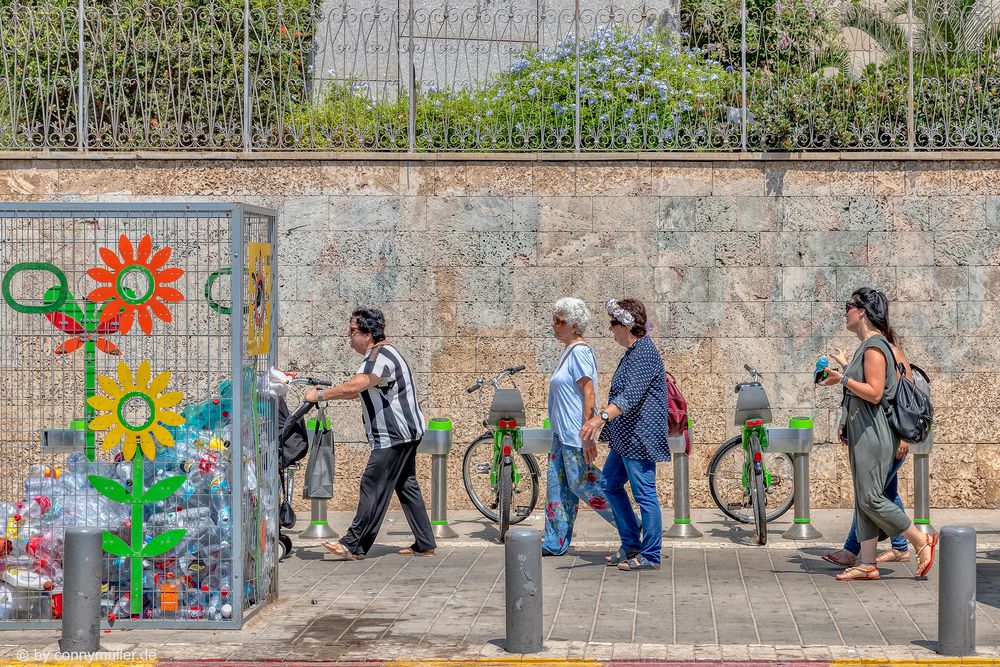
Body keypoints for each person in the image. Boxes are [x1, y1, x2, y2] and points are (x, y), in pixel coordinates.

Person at [819, 288, 935, 581]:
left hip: (874, 432)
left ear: (862, 312)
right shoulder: (869, 346)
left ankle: (919, 540)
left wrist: (842, 377)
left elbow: (873, 393)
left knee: (872, 498)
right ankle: (867, 562)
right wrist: (843, 375)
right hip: (864, 431)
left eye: (849, 306)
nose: (845, 311)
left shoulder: (874, 348)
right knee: (864, 498)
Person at [306, 308, 436, 560]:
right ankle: (425, 542)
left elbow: (356, 385)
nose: (349, 335)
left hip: (393, 435)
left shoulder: (378, 356)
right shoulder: (382, 354)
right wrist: (333, 391)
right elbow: (357, 390)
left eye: (353, 330)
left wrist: (319, 395)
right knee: (406, 485)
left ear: (368, 333)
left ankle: (352, 544)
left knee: (371, 484)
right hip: (407, 432)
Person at [580, 297, 670, 572]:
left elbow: (630, 396)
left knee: (645, 495)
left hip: (640, 437)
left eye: (614, 323)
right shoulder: (634, 352)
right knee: (609, 484)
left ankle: (651, 555)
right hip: (625, 438)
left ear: (627, 326)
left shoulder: (644, 353)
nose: (611, 329)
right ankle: (631, 543)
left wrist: (600, 418)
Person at [542, 297, 616, 557]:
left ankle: (631, 528)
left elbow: (589, 393)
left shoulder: (581, 352)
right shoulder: (568, 352)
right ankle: (555, 541)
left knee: (585, 485)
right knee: (558, 488)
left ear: (574, 325)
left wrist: (588, 435)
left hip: (575, 433)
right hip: (561, 434)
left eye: (559, 321)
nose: (554, 325)